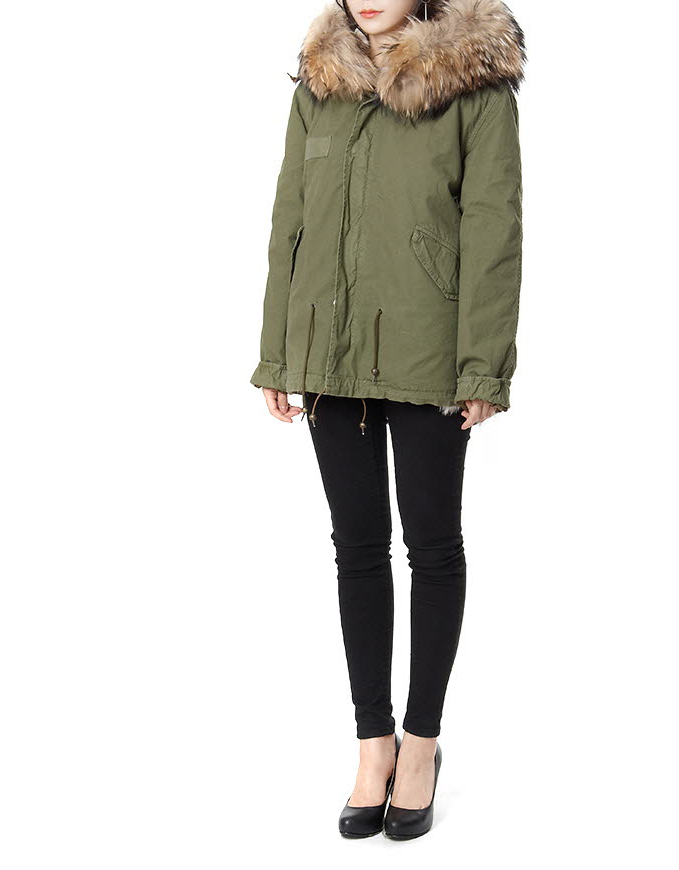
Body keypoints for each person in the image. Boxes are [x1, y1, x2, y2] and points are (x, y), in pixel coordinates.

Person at [250, 0, 525, 840]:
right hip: (327, 349)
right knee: (357, 547)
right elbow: (289, 220)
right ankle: (374, 744)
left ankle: (422, 744)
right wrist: (276, 351)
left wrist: (483, 364)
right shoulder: (320, 83)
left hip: (427, 348)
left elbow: (494, 229)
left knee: (432, 545)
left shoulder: (473, 84)